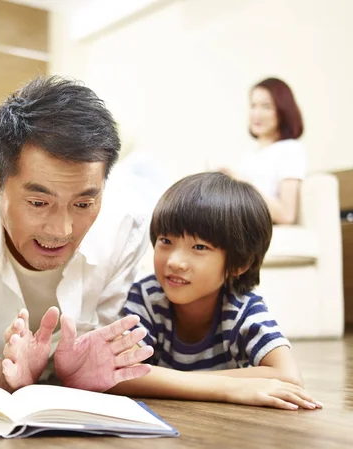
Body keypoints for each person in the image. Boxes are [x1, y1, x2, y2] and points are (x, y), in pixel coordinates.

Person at [0, 76, 153, 392]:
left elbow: (104, 340)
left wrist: (86, 366)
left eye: (84, 203)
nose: (62, 230)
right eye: (39, 202)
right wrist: (2, 375)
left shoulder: (126, 227)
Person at [115, 172, 323, 411]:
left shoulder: (243, 307)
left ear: (239, 264)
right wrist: (228, 388)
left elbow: (289, 377)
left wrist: (166, 380)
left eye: (199, 247)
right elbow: (119, 372)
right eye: (165, 241)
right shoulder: (147, 296)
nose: (174, 261)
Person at [222, 77, 305, 224]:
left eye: (266, 106)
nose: (256, 114)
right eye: (253, 106)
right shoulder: (249, 155)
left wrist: (241, 183)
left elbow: (286, 215)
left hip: (252, 225)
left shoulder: (290, 149)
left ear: (282, 111)